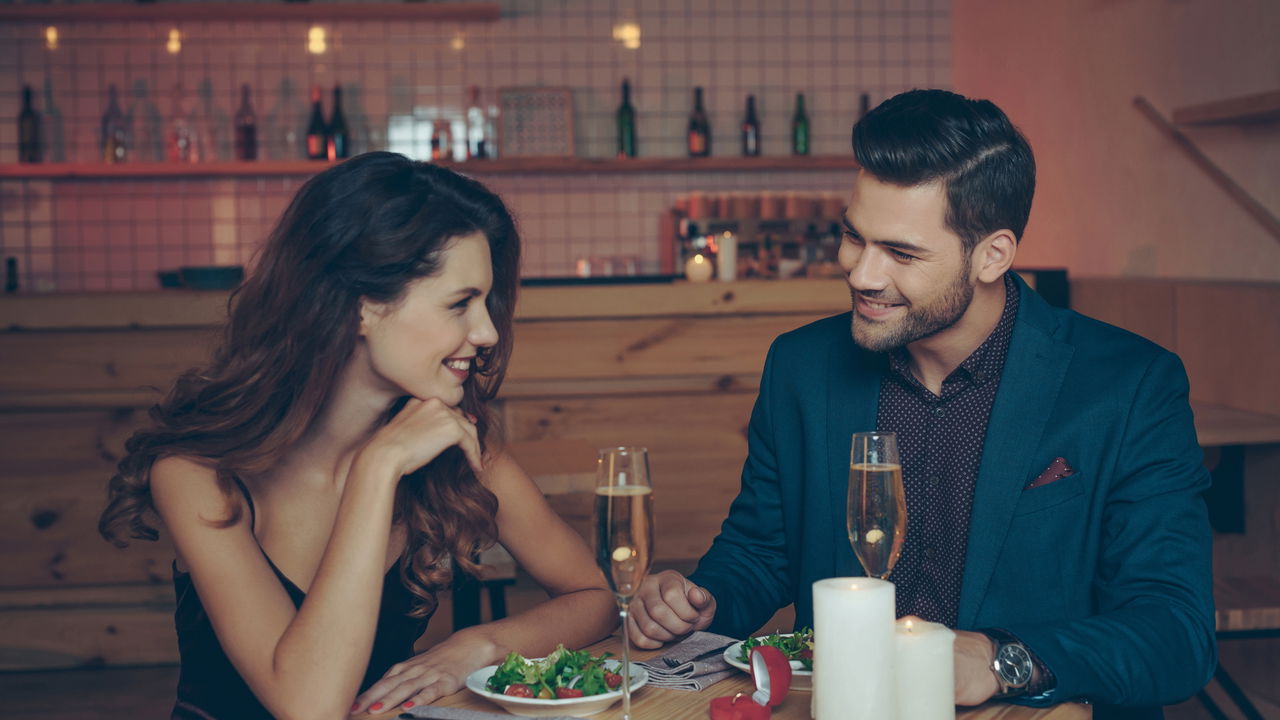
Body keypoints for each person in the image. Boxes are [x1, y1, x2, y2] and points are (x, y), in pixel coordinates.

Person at [628, 90, 1215, 717]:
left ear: (992, 255)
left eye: (902, 254)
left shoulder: (1128, 386)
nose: (861, 274)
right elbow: (761, 551)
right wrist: (702, 600)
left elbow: (1175, 633)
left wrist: (997, 660)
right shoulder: (801, 366)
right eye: (854, 237)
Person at [99, 152, 617, 720]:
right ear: (363, 306)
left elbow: (593, 599)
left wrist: (478, 646)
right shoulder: (197, 474)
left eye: (486, 303)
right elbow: (308, 706)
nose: (487, 331)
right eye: (459, 303)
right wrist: (379, 467)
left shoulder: (458, 445)